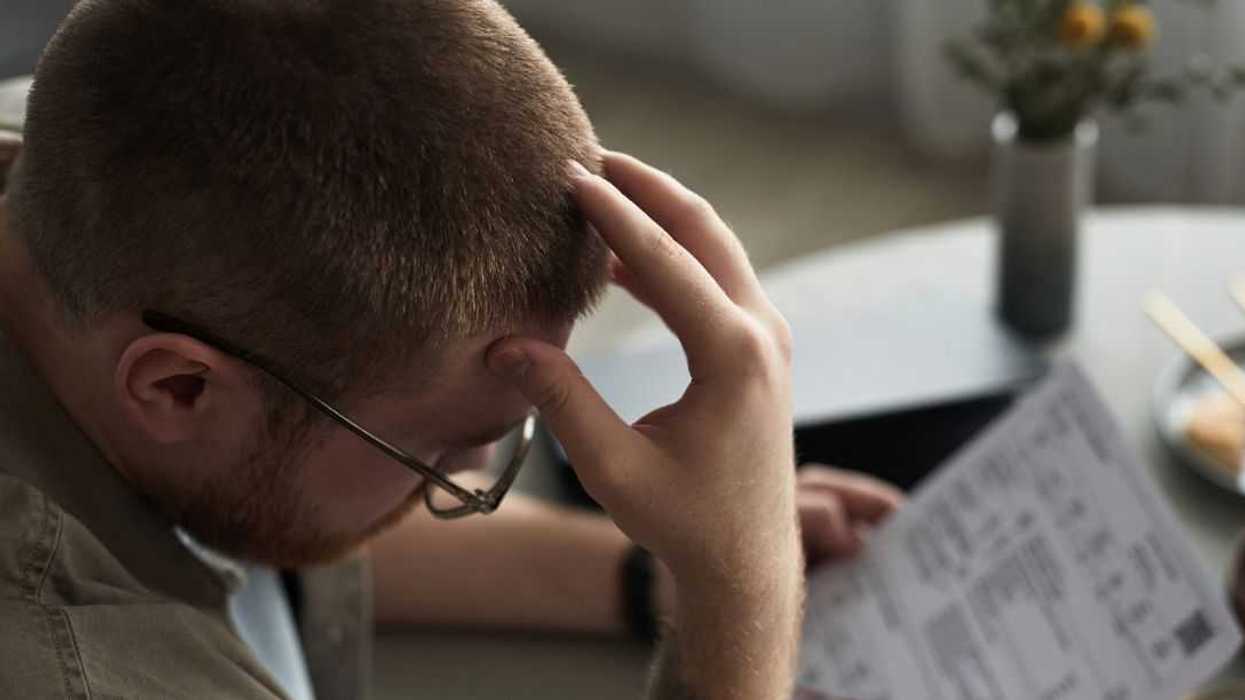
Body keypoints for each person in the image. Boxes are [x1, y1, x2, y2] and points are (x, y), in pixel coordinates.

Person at [0, 1, 901, 698]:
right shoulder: (75, 665)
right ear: (179, 388)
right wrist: (739, 599)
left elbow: (272, 497)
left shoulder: (63, 182)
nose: (468, 480)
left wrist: (652, 570)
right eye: (427, 447)